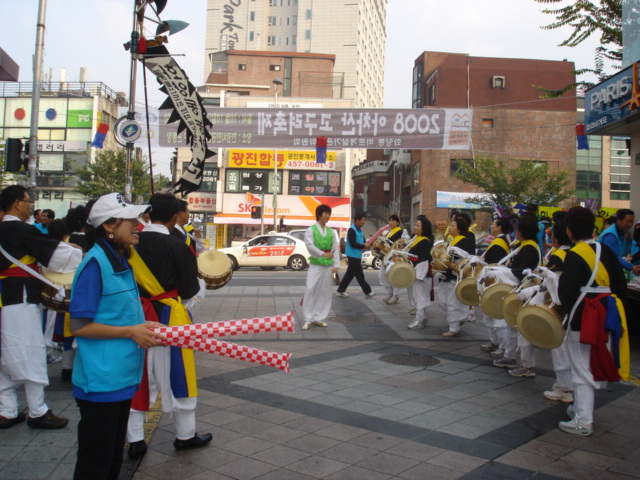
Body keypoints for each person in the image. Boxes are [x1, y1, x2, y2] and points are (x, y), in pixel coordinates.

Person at [69, 192, 165, 480]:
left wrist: (144, 324)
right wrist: (131, 331)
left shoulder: (121, 260)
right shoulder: (95, 265)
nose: (139, 225)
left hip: (121, 377)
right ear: (109, 226)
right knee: (95, 464)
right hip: (100, 383)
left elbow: (116, 313)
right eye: (131, 220)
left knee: (112, 459)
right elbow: (79, 326)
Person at [126, 193, 212, 459]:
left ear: (147, 214)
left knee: (138, 375)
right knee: (180, 373)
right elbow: (189, 289)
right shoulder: (177, 246)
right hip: (171, 317)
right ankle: (185, 435)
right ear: (175, 217)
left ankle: (135, 440)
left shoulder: (129, 244)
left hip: (134, 317)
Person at [0, 185, 82, 430]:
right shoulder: (19, 229)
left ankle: (7, 409)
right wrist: (77, 251)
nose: (29, 206)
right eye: (27, 201)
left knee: (3, 352)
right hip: (18, 296)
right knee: (28, 348)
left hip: (4, 296)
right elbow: (58, 255)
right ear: (16, 203)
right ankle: (37, 411)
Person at [558, 207, 629, 436]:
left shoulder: (575, 253)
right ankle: (579, 408)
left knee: (580, 367)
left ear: (570, 231)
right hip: (606, 313)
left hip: (582, 316)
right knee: (591, 361)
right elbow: (620, 285)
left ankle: (583, 420)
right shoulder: (605, 249)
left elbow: (565, 293)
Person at [492, 213, 541, 377]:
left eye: (517, 228)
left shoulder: (529, 247)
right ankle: (509, 356)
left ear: (522, 231)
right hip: (518, 292)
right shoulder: (524, 245)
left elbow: (523, 272)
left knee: (523, 330)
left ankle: (526, 366)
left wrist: (504, 272)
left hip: (525, 294)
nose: (515, 231)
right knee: (511, 326)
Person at [542, 220, 575, 404]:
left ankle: (565, 388)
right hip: (574, 308)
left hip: (559, 308)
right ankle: (565, 385)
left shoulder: (559, 255)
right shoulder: (575, 252)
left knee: (560, 349)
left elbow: (549, 285)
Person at [302, 204, 341, 330]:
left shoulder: (331, 231)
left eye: (329, 214)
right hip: (315, 264)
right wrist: (322, 253)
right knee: (310, 288)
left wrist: (336, 265)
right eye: (325, 213)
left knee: (324, 292)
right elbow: (309, 245)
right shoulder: (310, 230)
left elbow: (335, 248)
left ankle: (318, 317)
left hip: (327, 266)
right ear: (319, 214)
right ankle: (308, 318)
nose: (328, 216)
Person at [479, 217, 512, 356]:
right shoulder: (499, 241)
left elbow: (495, 264)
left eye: (493, 224)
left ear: (499, 228)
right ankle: (494, 341)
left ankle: (503, 345)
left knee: (496, 315)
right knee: (488, 313)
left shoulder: (499, 242)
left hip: (496, 281)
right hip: (491, 279)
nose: (491, 226)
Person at [437, 216, 475, 337]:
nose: (450, 228)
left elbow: (466, 259)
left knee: (453, 303)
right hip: (446, 276)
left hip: (455, 277)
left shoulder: (464, 241)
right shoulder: (451, 241)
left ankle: (454, 328)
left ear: (459, 229)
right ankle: (460, 319)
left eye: (452, 226)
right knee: (443, 301)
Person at [336, 212, 375, 298]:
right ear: (357, 220)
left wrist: (369, 243)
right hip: (352, 255)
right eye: (363, 220)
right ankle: (367, 291)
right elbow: (353, 243)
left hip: (357, 255)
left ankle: (340, 290)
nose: (364, 222)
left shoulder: (360, 230)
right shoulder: (351, 230)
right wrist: (364, 246)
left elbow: (363, 241)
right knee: (359, 275)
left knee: (349, 274)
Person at [406, 215, 434, 329]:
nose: (415, 227)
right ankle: (421, 317)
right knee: (415, 296)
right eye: (415, 225)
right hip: (414, 272)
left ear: (424, 228)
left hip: (420, 274)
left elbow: (424, 259)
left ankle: (419, 319)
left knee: (419, 296)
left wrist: (418, 275)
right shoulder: (416, 239)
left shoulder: (424, 241)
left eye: (417, 225)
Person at [598, 208, 640, 276]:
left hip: (616, 270)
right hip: (606, 272)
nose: (630, 225)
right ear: (618, 220)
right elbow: (614, 258)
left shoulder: (625, 233)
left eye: (632, 222)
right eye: (628, 221)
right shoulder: (610, 236)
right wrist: (632, 267)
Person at [376, 214, 406, 305]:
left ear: (398, 222)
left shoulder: (401, 232)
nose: (391, 222)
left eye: (393, 220)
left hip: (395, 258)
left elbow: (402, 244)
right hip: (386, 257)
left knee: (395, 276)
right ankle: (391, 293)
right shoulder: (389, 232)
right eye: (390, 220)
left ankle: (395, 296)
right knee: (382, 276)